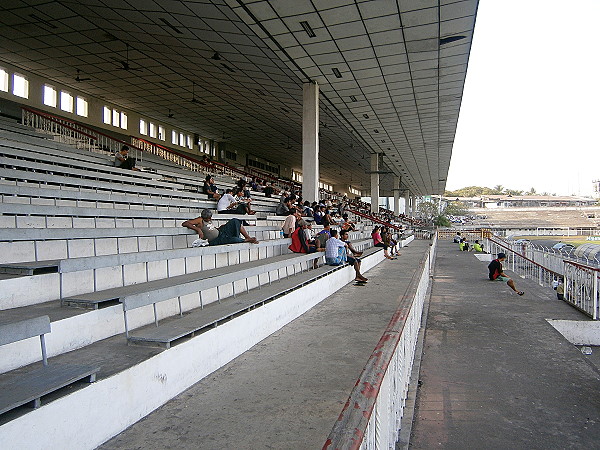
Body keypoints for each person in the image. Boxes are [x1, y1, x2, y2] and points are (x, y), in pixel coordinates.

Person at [181, 209, 258, 246]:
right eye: (208, 218)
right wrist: (198, 229)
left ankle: (248, 237)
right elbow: (185, 223)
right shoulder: (200, 220)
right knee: (233, 240)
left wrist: (218, 228)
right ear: (204, 217)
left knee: (235, 221)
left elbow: (211, 229)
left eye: (210, 218)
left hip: (220, 232)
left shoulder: (208, 220)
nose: (210, 219)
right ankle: (246, 240)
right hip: (216, 240)